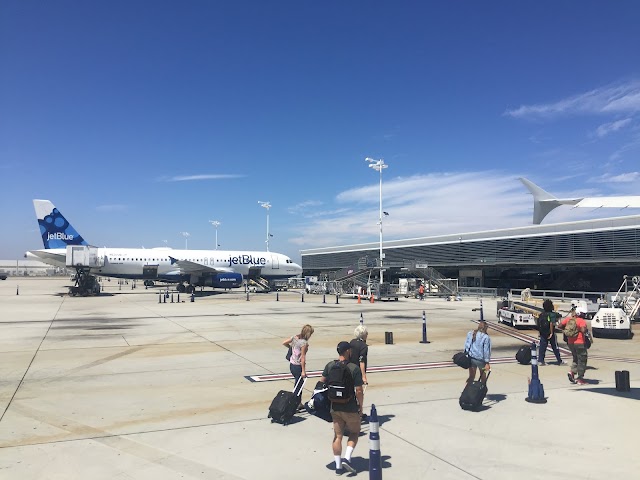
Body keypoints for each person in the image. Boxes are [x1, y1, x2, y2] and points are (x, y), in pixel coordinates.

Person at [320, 341, 364, 476]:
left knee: (337, 436)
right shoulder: (353, 368)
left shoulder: (330, 365)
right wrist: (360, 406)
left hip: (335, 407)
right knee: (355, 433)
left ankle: (338, 467)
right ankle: (347, 457)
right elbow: (358, 390)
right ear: (347, 351)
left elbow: (321, 382)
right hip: (350, 407)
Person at [282, 324, 314, 405]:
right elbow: (303, 357)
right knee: (298, 387)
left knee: (298, 384)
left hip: (292, 365)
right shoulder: (304, 343)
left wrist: (291, 348)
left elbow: (284, 342)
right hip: (298, 366)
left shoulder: (295, 337)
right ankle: (295, 404)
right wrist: (303, 371)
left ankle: (298, 403)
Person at [559, 307, 589, 385]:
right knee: (582, 360)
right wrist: (584, 329)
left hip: (570, 342)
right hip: (579, 342)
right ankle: (580, 378)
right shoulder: (581, 321)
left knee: (575, 358)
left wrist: (566, 330)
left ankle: (572, 372)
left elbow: (559, 325)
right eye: (583, 313)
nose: (584, 315)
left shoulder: (568, 319)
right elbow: (583, 330)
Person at [349, 325, 369, 420]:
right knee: (359, 391)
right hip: (357, 371)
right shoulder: (364, 346)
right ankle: (360, 411)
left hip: (349, 369)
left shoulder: (351, 342)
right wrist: (364, 376)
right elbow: (362, 361)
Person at [537, 299, 564, 365]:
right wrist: (551, 333)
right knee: (555, 347)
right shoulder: (552, 315)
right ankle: (559, 360)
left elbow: (538, 324)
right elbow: (551, 323)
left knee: (542, 347)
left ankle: (541, 360)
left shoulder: (541, 314)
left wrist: (539, 332)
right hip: (550, 333)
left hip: (543, 333)